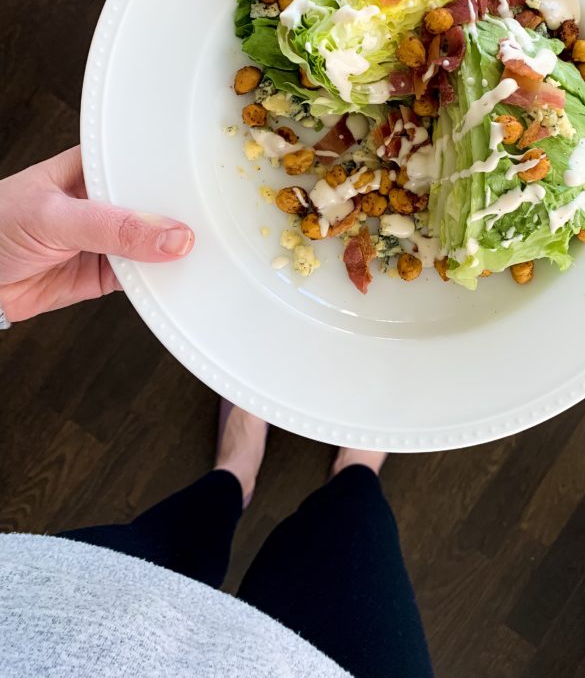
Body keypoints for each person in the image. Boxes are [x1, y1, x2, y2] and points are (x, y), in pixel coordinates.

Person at [0, 147, 434, 678]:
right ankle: (354, 469)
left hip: (58, 621)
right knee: (354, 527)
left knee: (182, 532)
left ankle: (234, 474)